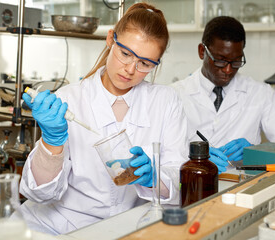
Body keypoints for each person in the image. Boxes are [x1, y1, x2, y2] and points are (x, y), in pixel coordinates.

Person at [17, 3, 187, 235]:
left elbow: (179, 179)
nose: (130, 69)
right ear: (110, 39)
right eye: (125, 53)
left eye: (145, 64)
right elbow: (40, 194)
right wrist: (52, 142)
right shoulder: (69, 99)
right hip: (60, 227)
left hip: (130, 228)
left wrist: (155, 179)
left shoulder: (166, 102)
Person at [171, 16, 275, 174]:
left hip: (245, 191)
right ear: (201, 51)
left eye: (236, 62)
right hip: (191, 188)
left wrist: (258, 151)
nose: (228, 70)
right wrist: (193, 156)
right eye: (220, 60)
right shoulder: (175, 94)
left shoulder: (260, 93)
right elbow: (160, 151)